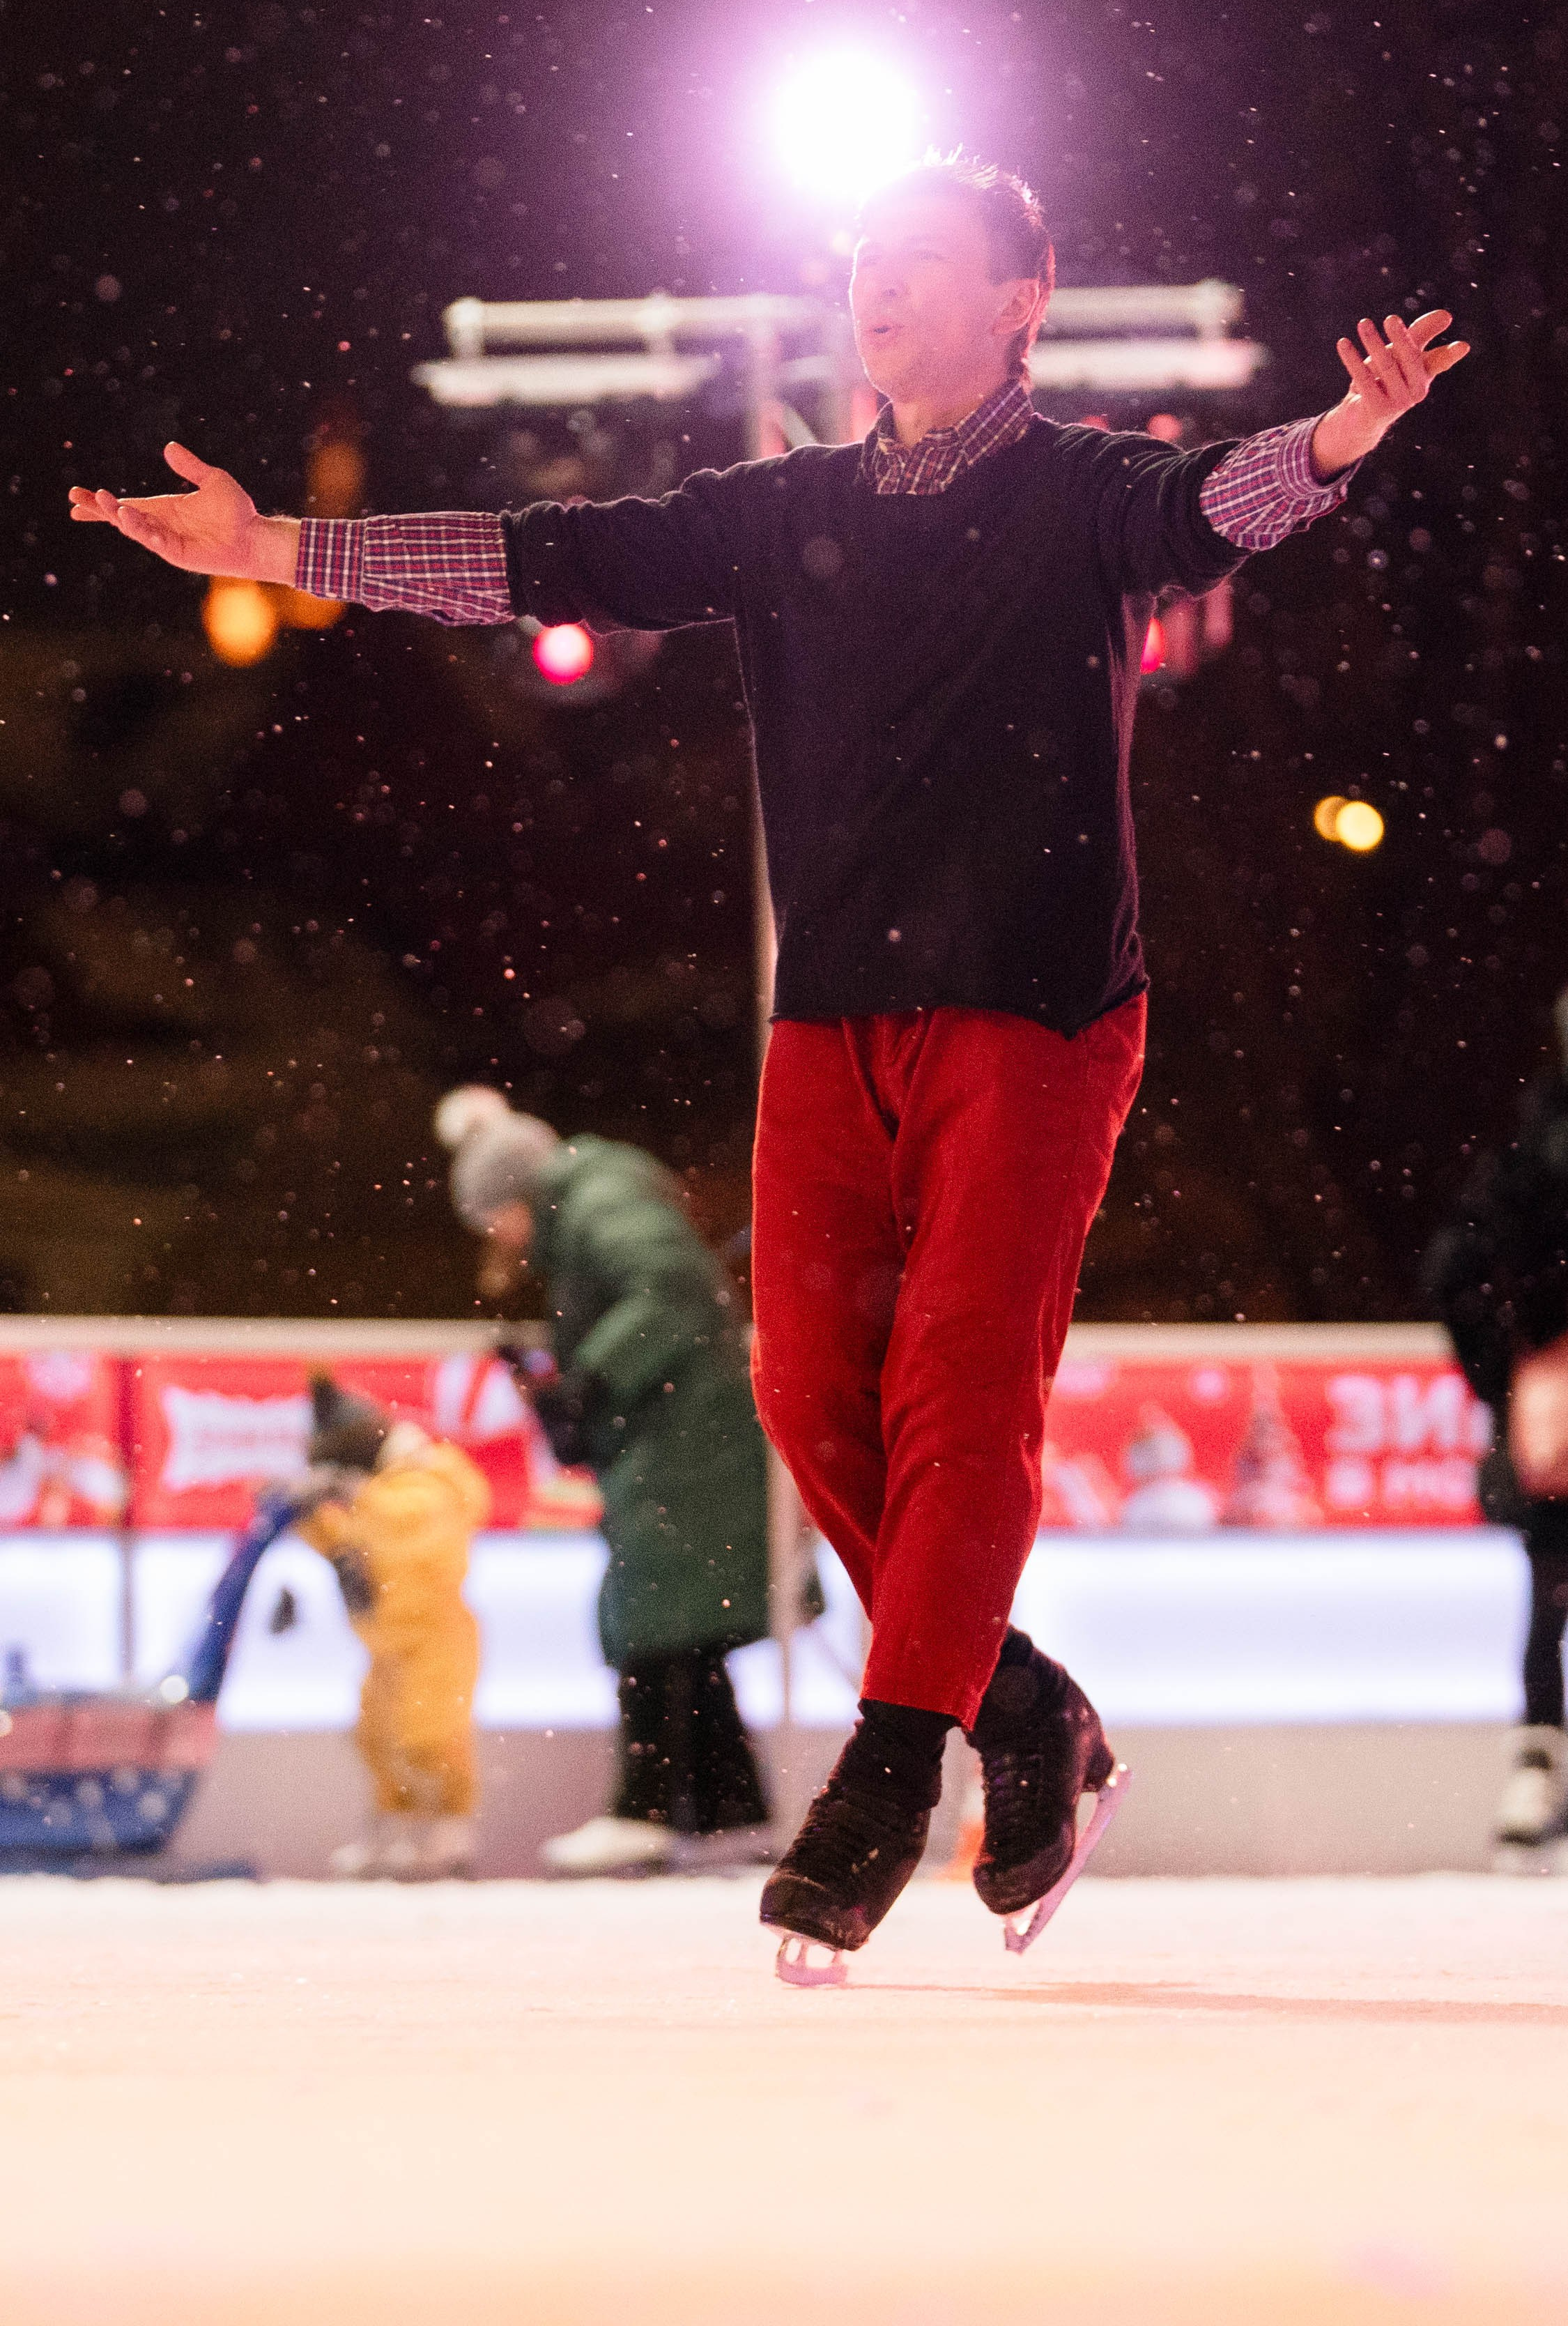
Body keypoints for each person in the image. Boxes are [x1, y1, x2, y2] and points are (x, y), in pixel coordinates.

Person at [70, 152, 1468, 1975]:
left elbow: (1220, 505)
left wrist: (1344, 433)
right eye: (864, 264)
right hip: (829, 1019)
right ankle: (1021, 1704)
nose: (878, 291)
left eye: (921, 265)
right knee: (807, 1395)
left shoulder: (1082, 492)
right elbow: (541, 562)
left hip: (1038, 1013)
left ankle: (891, 1771)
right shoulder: (781, 507)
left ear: (1017, 303)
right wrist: (280, 552)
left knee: (961, 1393)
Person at [433, 1086, 776, 1874]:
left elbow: (676, 1292)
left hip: (686, 1443)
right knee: (685, 1624)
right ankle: (733, 1813)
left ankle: (645, 1808)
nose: (500, 1239)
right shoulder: (594, 1202)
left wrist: (586, 1378)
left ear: (518, 1193)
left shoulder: (601, 1199)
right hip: (683, 1434)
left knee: (653, 1613)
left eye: (495, 1218)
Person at [1424, 997, 1568, 1863]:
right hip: (1552, 1413)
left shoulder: (1526, 1155)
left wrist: (1512, 1369)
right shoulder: (1531, 1158)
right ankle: (1537, 1768)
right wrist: (1514, 1370)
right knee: (1550, 1585)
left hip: (1548, 1406)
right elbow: (1457, 1270)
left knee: (1550, 1589)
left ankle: (1537, 1768)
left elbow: (1455, 1269)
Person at [293, 1371, 491, 1880]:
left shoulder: (433, 1477)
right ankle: (397, 1824)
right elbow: (346, 1544)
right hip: (385, 1644)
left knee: (431, 1734)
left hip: (436, 1639)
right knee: (376, 1738)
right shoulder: (375, 1493)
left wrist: (355, 1495)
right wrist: (304, 1513)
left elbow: (407, 1525)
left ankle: (451, 1828)